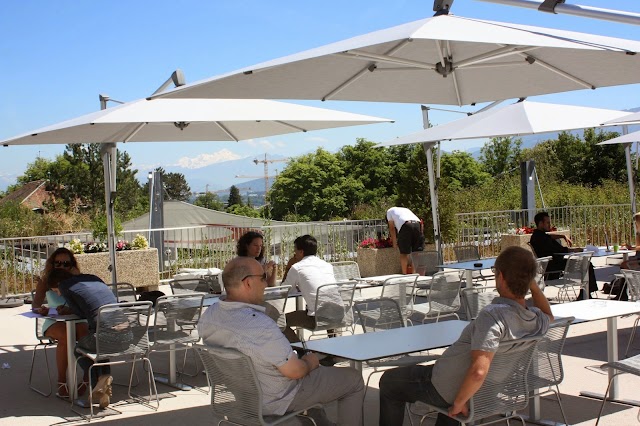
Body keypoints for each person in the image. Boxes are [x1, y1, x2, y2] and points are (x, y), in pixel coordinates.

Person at [378, 246, 552, 426]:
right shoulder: (533, 319)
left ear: (500, 276)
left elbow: (478, 371)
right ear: (529, 280)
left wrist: (460, 402)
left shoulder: (492, 316)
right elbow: (549, 316)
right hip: (484, 391)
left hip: (446, 386)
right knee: (450, 396)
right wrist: (534, 287)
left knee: (389, 381)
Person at [198, 256, 364, 426]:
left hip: (244, 398)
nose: (265, 284)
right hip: (279, 398)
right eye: (263, 278)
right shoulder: (260, 325)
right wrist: (310, 362)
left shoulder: (208, 317)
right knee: (353, 379)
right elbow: (295, 372)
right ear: (248, 283)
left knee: (315, 382)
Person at [47, 269, 117, 409]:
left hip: (103, 336)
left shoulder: (65, 287)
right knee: (100, 349)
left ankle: (97, 383)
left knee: (79, 349)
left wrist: (68, 310)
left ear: (58, 284)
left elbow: (81, 313)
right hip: (127, 337)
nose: (57, 293)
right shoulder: (92, 277)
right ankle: (103, 389)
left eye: (55, 290)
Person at [32, 247, 89, 399]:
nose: (61, 266)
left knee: (85, 334)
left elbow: (87, 301)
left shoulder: (77, 279)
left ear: (72, 265)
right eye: (58, 263)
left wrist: (78, 278)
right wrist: (41, 310)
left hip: (78, 318)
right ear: (52, 264)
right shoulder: (46, 280)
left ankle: (88, 378)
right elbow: (35, 304)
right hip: (53, 321)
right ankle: (62, 382)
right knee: (64, 336)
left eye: (66, 263)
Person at [281, 235, 339, 344]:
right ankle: (334, 349)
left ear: (301, 252)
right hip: (339, 315)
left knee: (278, 321)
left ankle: (302, 351)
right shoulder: (327, 265)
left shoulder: (297, 267)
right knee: (324, 307)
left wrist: (289, 266)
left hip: (317, 319)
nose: (294, 254)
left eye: (295, 251)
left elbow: (284, 290)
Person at [530, 211, 598, 299]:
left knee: (586, 264)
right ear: (540, 223)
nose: (549, 225)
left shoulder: (538, 236)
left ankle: (585, 292)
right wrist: (575, 250)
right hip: (554, 265)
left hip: (552, 263)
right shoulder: (541, 239)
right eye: (547, 222)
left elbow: (550, 237)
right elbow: (559, 250)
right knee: (587, 264)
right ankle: (586, 293)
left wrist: (562, 236)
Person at [386, 207, 425, 274]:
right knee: (416, 253)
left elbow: (391, 228)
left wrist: (394, 243)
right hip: (418, 225)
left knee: (404, 253)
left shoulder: (389, 211)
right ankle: (414, 274)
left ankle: (404, 274)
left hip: (406, 225)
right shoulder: (405, 210)